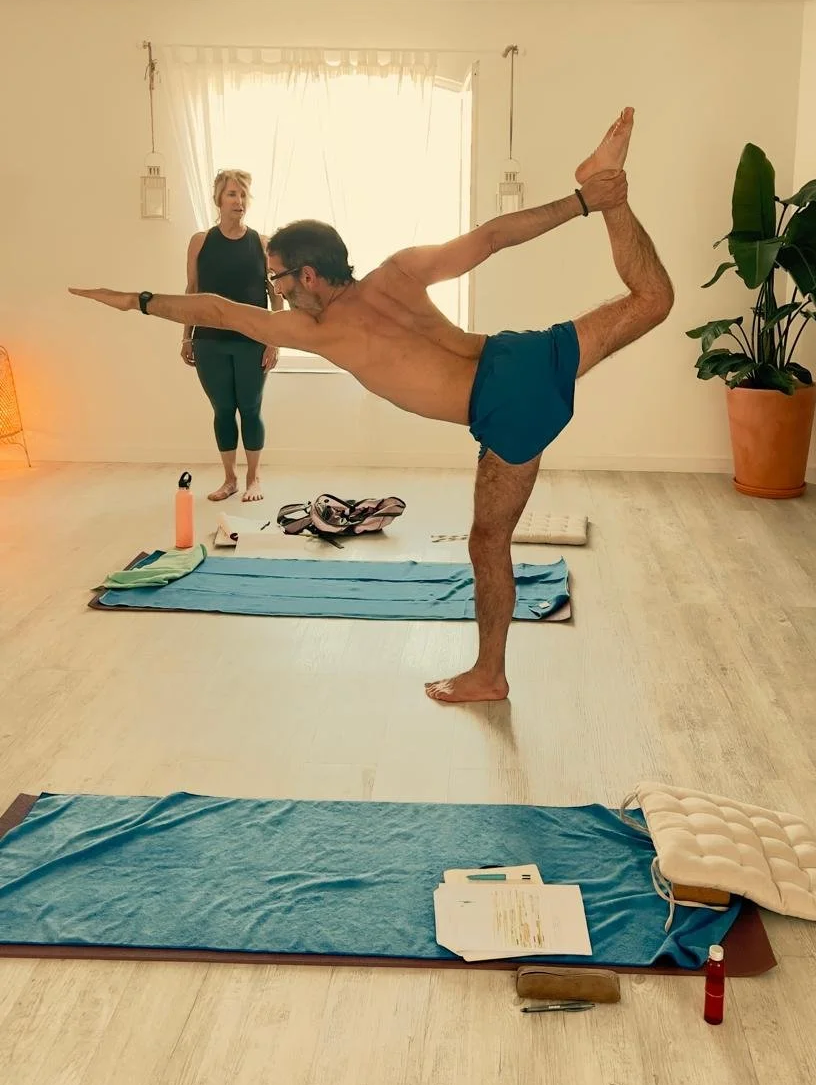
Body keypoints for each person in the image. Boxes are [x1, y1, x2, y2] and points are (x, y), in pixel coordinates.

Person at [72, 109, 673, 702]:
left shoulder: (320, 331)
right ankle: (609, 193)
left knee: (486, 544)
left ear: (308, 275)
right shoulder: (399, 271)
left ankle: (489, 676)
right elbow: (490, 238)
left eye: (278, 279)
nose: (275, 291)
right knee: (653, 298)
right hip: (517, 355)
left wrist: (136, 301)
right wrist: (583, 201)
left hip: (504, 407)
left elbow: (220, 312)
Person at [182, 170, 282, 503]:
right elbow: (192, 291)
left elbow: (277, 296)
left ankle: (254, 479)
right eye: (231, 194)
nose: (239, 201)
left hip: (252, 341)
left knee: (250, 408)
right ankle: (230, 480)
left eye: (243, 195)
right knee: (223, 410)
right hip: (209, 341)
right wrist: (186, 337)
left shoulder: (261, 244)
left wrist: (273, 341)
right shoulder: (200, 242)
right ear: (218, 200)